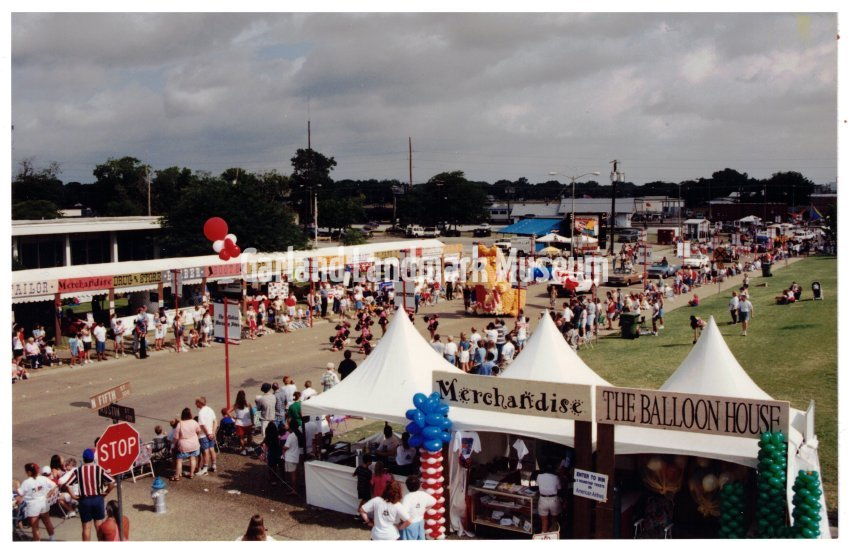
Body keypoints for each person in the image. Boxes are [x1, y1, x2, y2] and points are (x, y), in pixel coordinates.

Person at [63, 448, 115, 541]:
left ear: (83, 459)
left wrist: (73, 496)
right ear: (93, 458)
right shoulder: (99, 469)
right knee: (99, 525)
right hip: (98, 499)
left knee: (86, 527)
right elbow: (112, 482)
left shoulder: (78, 471)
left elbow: (67, 484)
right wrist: (106, 492)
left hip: (84, 500)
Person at [17, 462, 57, 541]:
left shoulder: (26, 482)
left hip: (33, 506)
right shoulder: (43, 478)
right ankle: (52, 538)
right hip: (43, 503)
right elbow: (54, 485)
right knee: (47, 521)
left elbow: (20, 494)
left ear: (29, 472)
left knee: (35, 527)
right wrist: (48, 495)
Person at [399, 475, 437, 540]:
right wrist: (425, 509)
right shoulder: (423, 494)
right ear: (419, 485)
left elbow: (403, 514)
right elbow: (434, 501)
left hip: (411, 523)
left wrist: (401, 525)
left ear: (407, 486)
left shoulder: (407, 497)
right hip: (420, 522)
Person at [172, 407, 202, 480]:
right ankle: (191, 474)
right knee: (193, 459)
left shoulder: (180, 424)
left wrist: (173, 444)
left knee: (179, 460)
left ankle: (177, 476)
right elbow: (198, 431)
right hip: (194, 444)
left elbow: (176, 437)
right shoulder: (194, 422)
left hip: (184, 445)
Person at [536, 462, 562, 533]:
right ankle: (553, 536)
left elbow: (537, 485)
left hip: (543, 500)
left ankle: (543, 535)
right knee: (554, 522)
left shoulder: (539, 476)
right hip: (553, 500)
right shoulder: (556, 477)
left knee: (544, 523)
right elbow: (559, 488)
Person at [195, 396, 218, 475]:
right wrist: (213, 432)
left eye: (196, 402)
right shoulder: (210, 409)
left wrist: (208, 433)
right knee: (212, 449)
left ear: (199, 403)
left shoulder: (201, 413)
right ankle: (214, 465)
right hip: (211, 433)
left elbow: (202, 425)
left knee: (205, 451)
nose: (195, 404)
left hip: (204, 435)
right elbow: (215, 422)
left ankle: (205, 468)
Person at [229, 390, 254, 456]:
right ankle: (249, 447)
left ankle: (243, 450)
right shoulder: (248, 404)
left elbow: (228, 411)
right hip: (248, 422)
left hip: (239, 422)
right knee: (249, 435)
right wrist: (253, 421)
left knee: (241, 438)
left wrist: (233, 417)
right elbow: (251, 414)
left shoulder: (236, 405)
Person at [281, 423, 300, 495]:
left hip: (290, 457)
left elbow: (286, 447)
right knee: (294, 474)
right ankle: (294, 488)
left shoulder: (291, 436)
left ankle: (294, 490)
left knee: (292, 475)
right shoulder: (297, 434)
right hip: (295, 455)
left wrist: (282, 448)